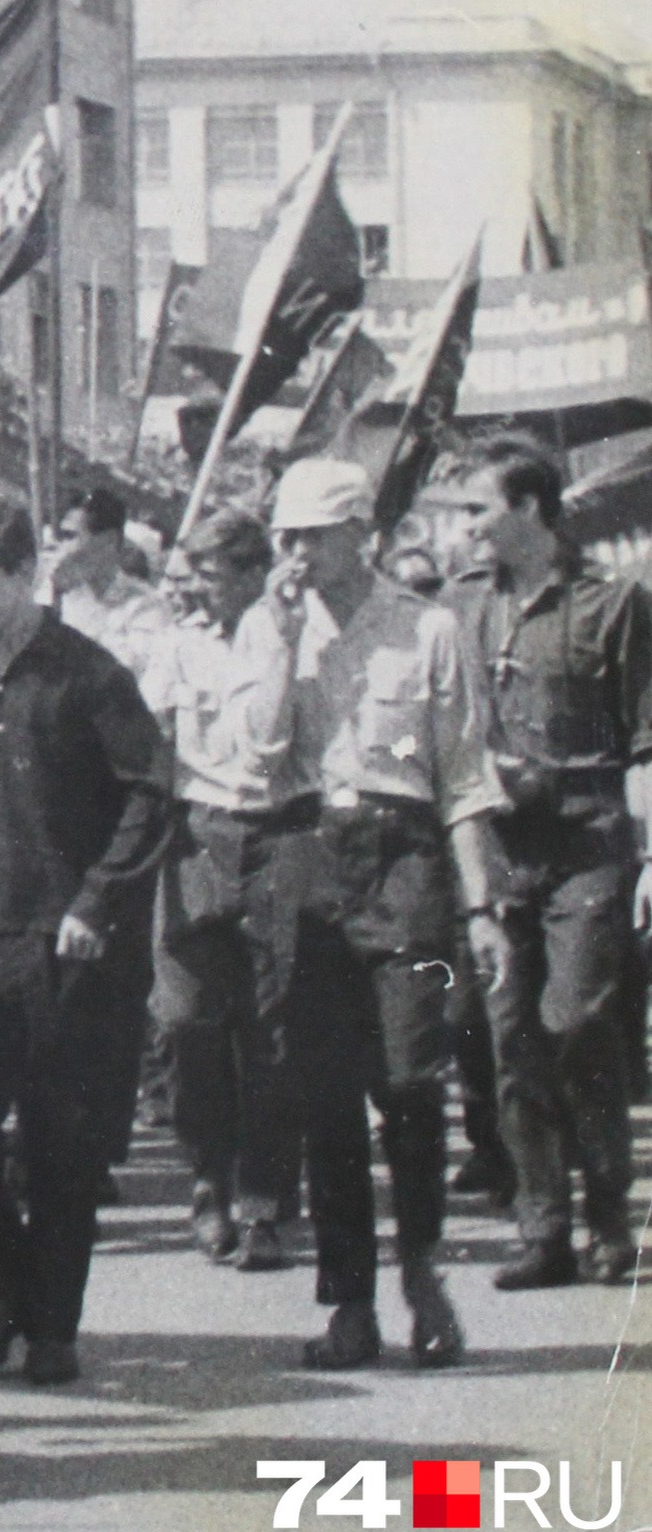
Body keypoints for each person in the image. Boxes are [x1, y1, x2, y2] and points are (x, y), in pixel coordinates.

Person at [253, 455, 503, 1372]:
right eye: (285, 537)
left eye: (313, 535)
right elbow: (261, 756)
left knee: (407, 1080)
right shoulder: (272, 626)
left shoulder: (429, 627)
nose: (297, 553)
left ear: (360, 531)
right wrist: (280, 642)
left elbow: (466, 776)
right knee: (323, 1093)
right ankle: (349, 1301)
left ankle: (423, 1272)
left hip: (406, 864)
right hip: (309, 854)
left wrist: (480, 907)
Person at [0, 499, 172, 1389]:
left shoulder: (88, 674)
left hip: (67, 944)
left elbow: (151, 791)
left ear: (29, 576)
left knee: (61, 1146)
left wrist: (97, 902)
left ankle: (52, 1323)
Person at [438, 437, 652, 1287]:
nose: (469, 528)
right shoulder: (461, 609)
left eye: (479, 509)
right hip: (497, 849)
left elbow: (645, 741)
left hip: (588, 840)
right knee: (510, 1040)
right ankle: (544, 1227)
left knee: (577, 1025)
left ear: (529, 508)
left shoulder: (615, 604)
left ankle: (609, 1216)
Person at [138, 510, 309, 1272]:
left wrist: (274, 634)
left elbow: (271, 744)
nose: (193, 589)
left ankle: (263, 1198)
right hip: (195, 836)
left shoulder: (295, 636)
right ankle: (207, 1178)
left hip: (277, 833)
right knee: (186, 1021)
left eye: (208, 573)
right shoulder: (177, 647)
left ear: (248, 572)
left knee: (271, 1033)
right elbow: (150, 743)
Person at [50, 488, 172, 679]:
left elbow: (124, 674)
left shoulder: (147, 607)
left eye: (69, 537)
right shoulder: (45, 592)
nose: (60, 549)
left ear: (108, 541)